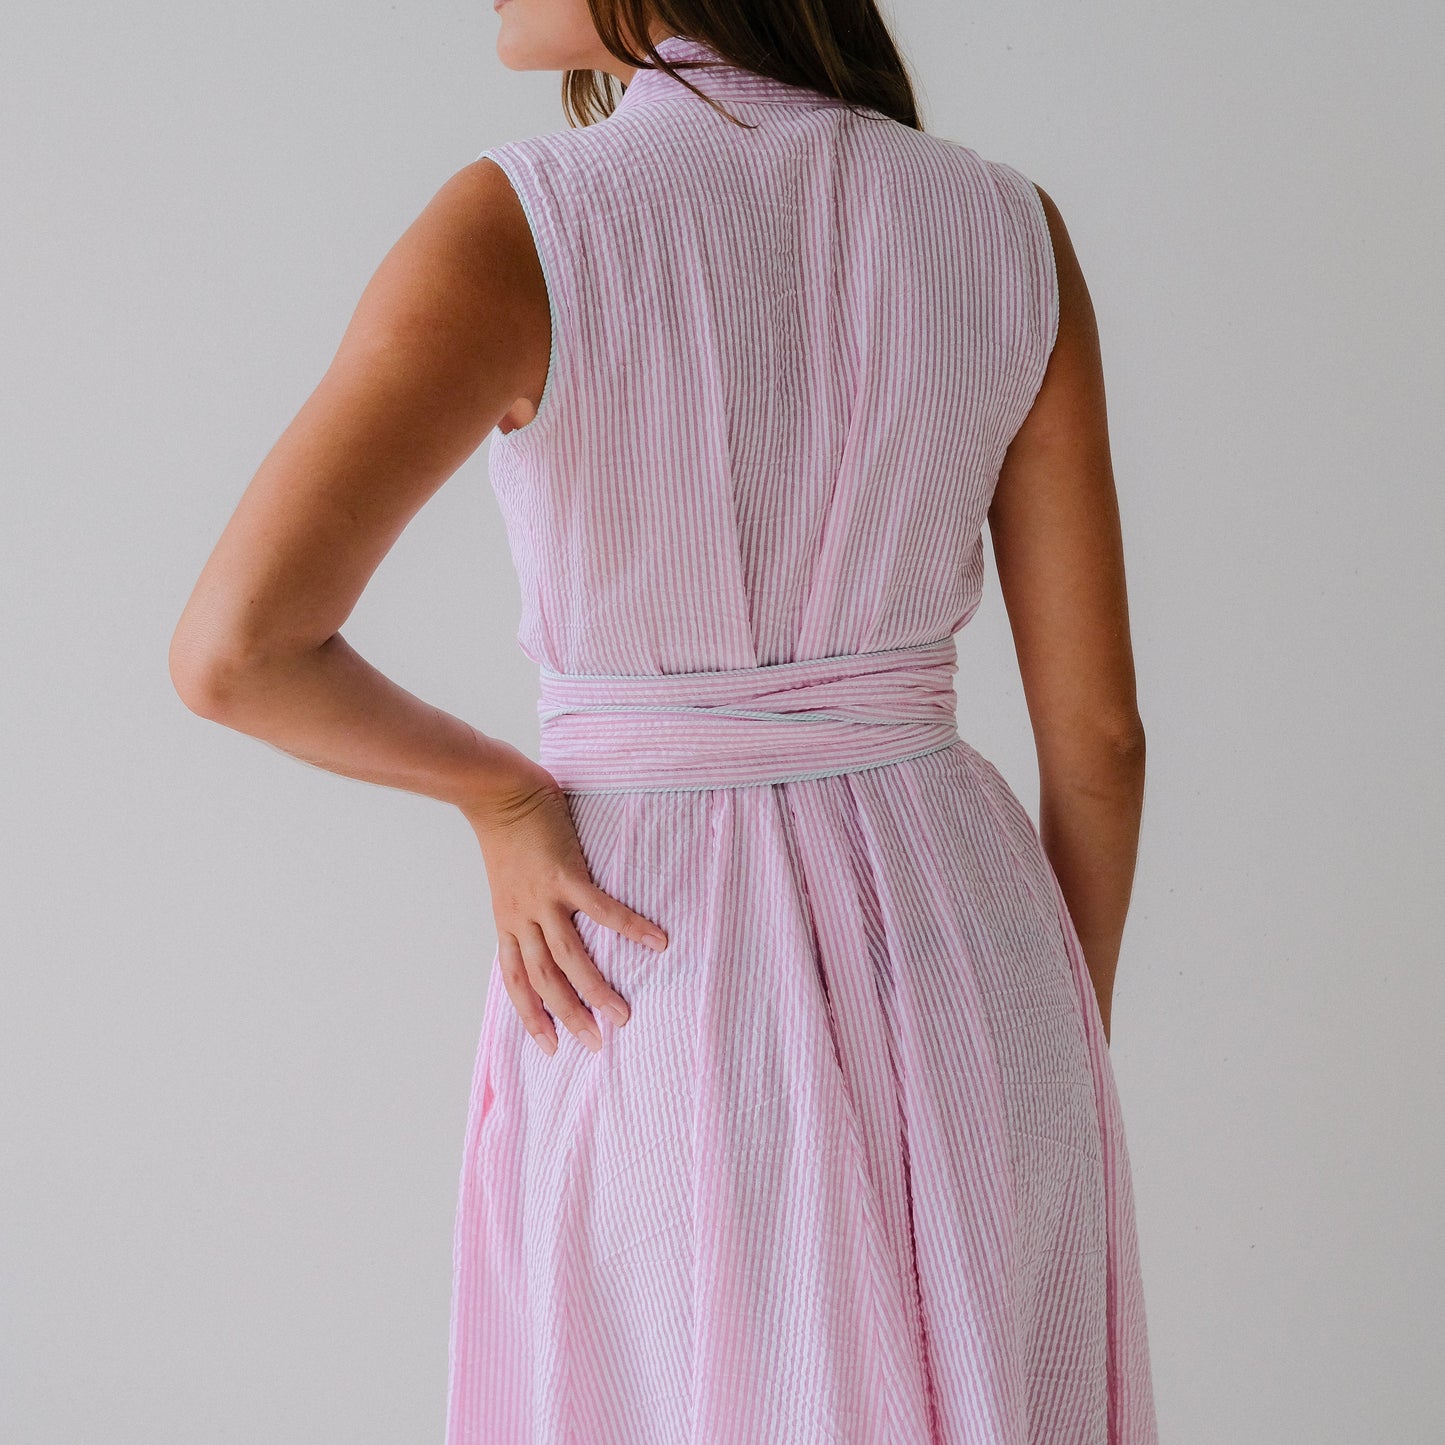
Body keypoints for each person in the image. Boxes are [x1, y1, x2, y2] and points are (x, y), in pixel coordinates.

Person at [170, 4, 1158, 1442]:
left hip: (656, 958)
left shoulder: (526, 223)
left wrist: (502, 799)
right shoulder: (1008, 228)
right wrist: (1056, 1035)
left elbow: (238, 648)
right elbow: (1102, 740)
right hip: (974, 955)